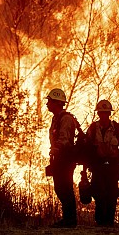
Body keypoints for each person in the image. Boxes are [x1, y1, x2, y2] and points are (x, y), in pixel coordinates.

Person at [86, 99, 119, 227]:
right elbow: (86, 147)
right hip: (98, 166)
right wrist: (86, 166)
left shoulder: (117, 129)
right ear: (98, 114)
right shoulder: (92, 129)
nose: (104, 115)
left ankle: (109, 222)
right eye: (101, 113)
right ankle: (100, 221)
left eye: (106, 113)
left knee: (112, 194)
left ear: (109, 114)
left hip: (112, 167)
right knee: (98, 193)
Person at [45, 88, 78, 228]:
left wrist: (56, 148)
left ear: (57, 103)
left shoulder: (66, 119)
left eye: (50, 101)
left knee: (65, 188)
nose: (47, 104)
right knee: (60, 188)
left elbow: (64, 139)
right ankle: (68, 219)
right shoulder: (56, 118)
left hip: (66, 158)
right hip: (59, 158)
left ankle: (70, 220)